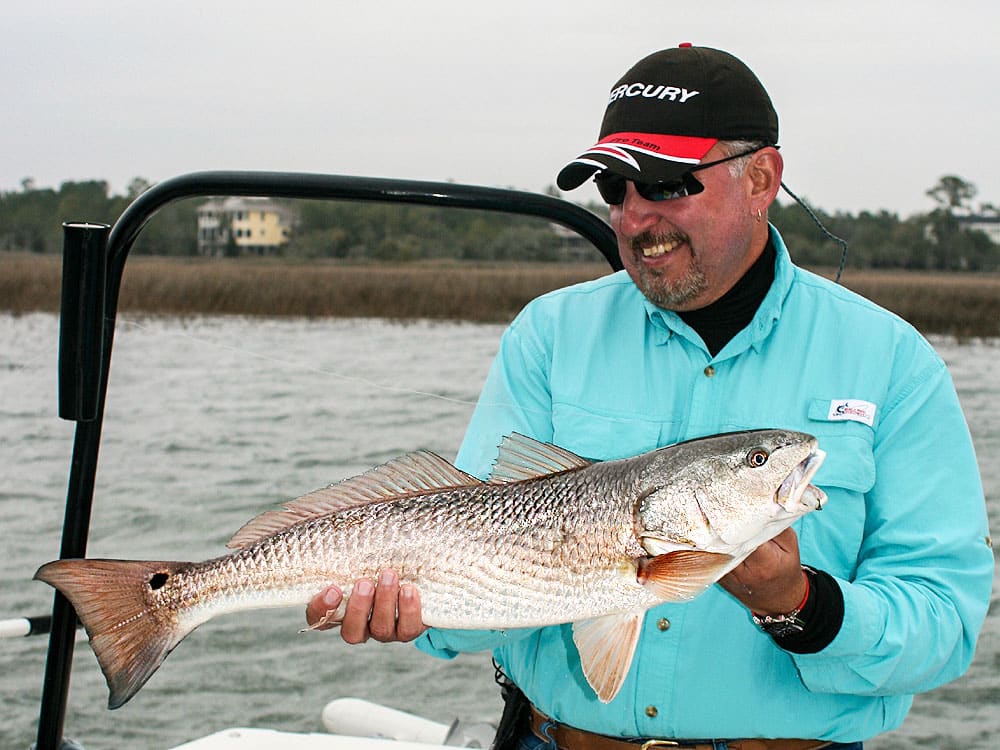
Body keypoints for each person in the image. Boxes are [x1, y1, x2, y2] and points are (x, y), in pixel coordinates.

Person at [306, 44, 993, 749]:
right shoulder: (549, 333)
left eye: (666, 184)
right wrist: (412, 612)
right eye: (615, 191)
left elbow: (944, 625)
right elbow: (475, 560)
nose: (634, 219)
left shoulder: (893, 361)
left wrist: (798, 604)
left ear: (761, 178)